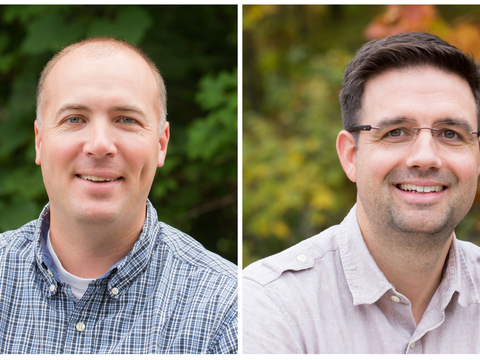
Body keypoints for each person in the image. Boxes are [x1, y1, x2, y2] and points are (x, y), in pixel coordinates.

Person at [243, 32, 480, 354]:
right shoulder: (268, 306)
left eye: (451, 134)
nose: (425, 157)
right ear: (351, 156)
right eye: (396, 132)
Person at [0, 37, 237, 354]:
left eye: (126, 119)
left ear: (161, 144)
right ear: (40, 140)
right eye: (74, 119)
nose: (99, 145)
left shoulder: (227, 307)